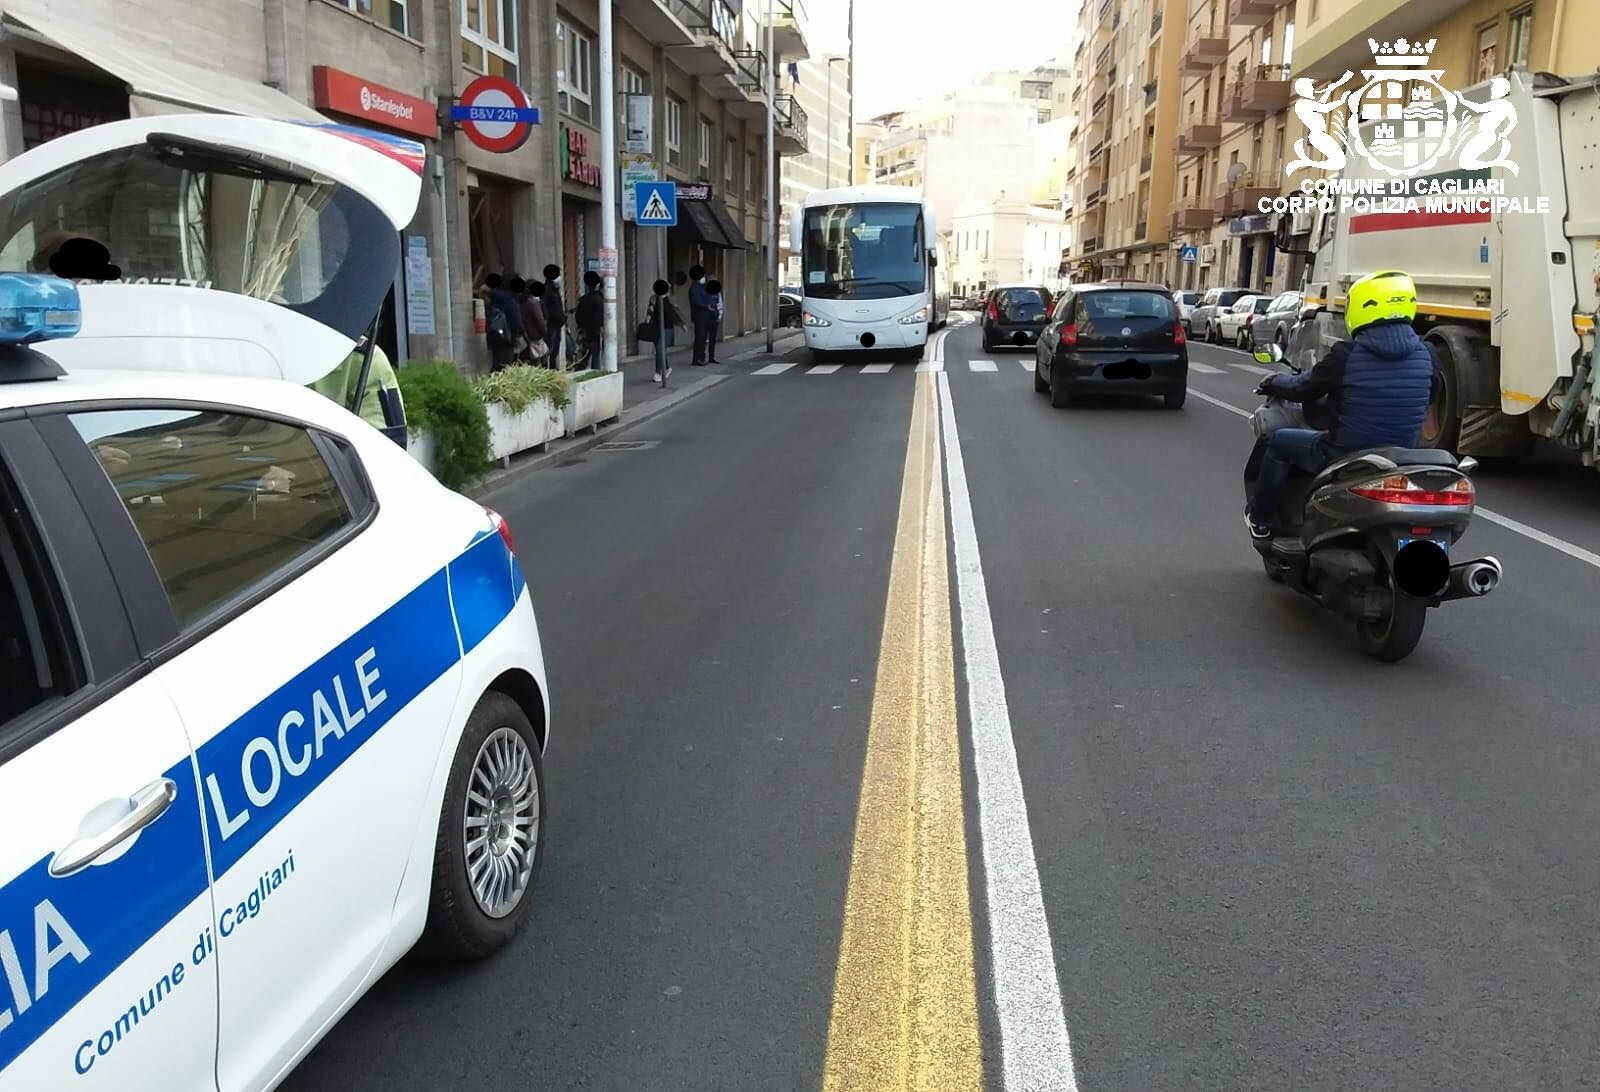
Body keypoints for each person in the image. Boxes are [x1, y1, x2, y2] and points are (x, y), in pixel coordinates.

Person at [1245, 270, 1437, 539]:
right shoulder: (1427, 354)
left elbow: (1304, 388)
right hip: (1401, 458)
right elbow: (1428, 398)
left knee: (1278, 443)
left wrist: (1274, 382)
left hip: (1344, 455)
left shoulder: (1346, 355)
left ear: (1360, 308)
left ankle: (1260, 518)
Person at [645, 278, 684, 385]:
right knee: (660, 350)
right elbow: (649, 312)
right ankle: (666, 368)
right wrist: (647, 323)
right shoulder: (653, 298)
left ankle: (658, 373)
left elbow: (676, 313)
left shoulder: (671, 299)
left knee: (660, 349)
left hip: (667, 328)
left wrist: (682, 324)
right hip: (655, 328)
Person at [483, 273, 524, 371]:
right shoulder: (511, 301)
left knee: (496, 363)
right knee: (505, 366)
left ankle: (491, 384)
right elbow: (516, 322)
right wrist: (521, 332)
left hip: (494, 335)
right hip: (507, 338)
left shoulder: (495, 298)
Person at [515, 276, 549, 364]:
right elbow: (540, 322)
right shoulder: (534, 304)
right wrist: (546, 334)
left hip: (524, 340)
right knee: (541, 363)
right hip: (535, 339)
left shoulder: (519, 302)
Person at [576, 270, 604, 371]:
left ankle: (579, 372)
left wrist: (582, 328)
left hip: (585, 332)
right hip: (596, 333)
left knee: (584, 357)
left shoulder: (583, 299)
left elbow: (578, 316)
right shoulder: (600, 300)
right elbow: (599, 318)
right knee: (596, 357)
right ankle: (594, 374)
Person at [542, 264, 567, 368]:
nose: (559, 278)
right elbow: (549, 309)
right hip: (551, 326)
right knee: (550, 351)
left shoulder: (554, 289)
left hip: (556, 325)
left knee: (554, 352)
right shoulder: (548, 290)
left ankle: (553, 370)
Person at [687, 264, 713, 366]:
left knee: (703, 338)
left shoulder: (701, 287)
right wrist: (707, 306)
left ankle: (701, 357)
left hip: (705, 315)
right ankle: (697, 358)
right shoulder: (694, 288)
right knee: (700, 337)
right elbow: (697, 302)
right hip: (699, 316)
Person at [704, 278, 724, 364]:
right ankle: (702, 356)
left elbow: (720, 305)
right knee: (703, 338)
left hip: (714, 318)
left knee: (713, 339)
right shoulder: (705, 292)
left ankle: (711, 357)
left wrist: (719, 316)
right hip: (706, 318)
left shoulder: (717, 293)